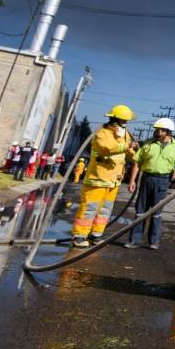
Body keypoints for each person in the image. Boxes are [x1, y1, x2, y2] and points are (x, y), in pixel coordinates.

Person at [125, 118, 175, 250]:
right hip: (147, 178)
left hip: (163, 180)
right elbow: (137, 162)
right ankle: (134, 240)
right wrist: (132, 181)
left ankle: (154, 242)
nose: (157, 132)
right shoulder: (149, 144)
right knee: (140, 211)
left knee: (157, 212)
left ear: (168, 132)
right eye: (157, 129)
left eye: (160, 130)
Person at [71, 105, 136, 248]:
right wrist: (127, 146)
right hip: (98, 179)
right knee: (89, 209)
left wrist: (136, 153)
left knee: (105, 210)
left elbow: (128, 152)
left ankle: (96, 235)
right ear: (115, 119)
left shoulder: (124, 135)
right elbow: (105, 148)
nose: (125, 124)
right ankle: (80, 236)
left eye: (127, 121)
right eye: (123, 121)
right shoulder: (103, 133)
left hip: (113, 181)